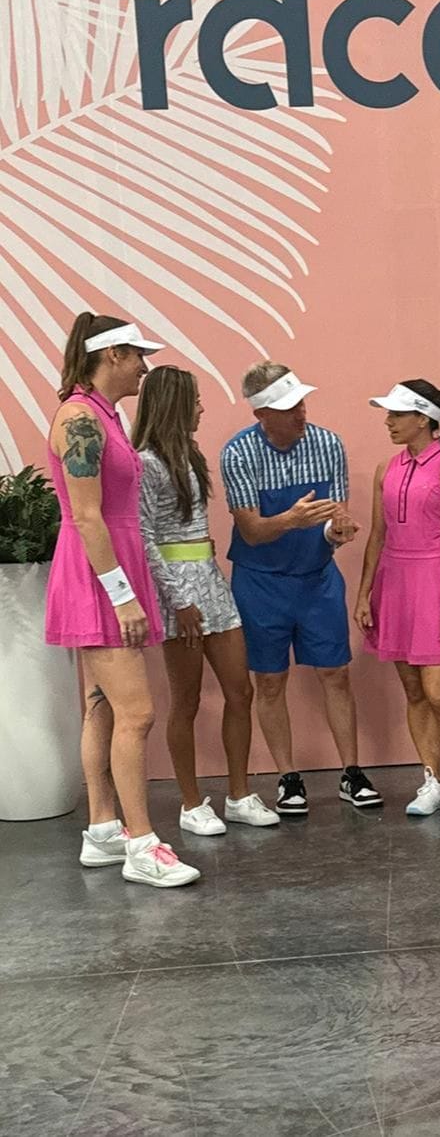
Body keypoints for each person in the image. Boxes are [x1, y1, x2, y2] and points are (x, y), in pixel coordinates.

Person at [45, 313, 199, 887]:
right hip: (99, 578)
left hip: (112, 570)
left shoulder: (104, 415)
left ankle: (103, 829)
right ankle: (142, 844)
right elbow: (87, 517)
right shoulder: (80, 418)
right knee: (138, 713)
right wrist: (122, 597)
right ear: (112, 355)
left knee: (103, 706)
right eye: (138, 356)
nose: (144, 367)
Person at [220, 361, 379, 816]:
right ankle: (288, 777)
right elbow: (251, 531)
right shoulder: (238, 454)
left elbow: (335, 516)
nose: (301, 413)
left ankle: (351, 772)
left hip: (317, 578)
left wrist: (337, 531)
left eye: (302, 403)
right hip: (260, 582)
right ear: (261, 414)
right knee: (270, 681)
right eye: (289, 408)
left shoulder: (328, 444)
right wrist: (292, 519)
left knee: (336, 673)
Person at [133, 365, 280, 835]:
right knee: (187, 700)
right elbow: (145, 537)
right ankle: (191, 803)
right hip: (179, 590)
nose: (201, 408)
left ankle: (238, 794)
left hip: (212, 582)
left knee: (241, 690)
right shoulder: (146, 463)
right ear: (174, 404)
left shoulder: (191, 455)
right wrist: (178, 600)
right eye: (194, 400)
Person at [354, 381, 440, 820]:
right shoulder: (385, 469)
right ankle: (432, 778)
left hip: (434, 582)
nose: (388, 422)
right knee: (413, 691)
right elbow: (378, 535)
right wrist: (365, 593)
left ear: (424, 419)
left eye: (396, 414)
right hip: (394, 583)